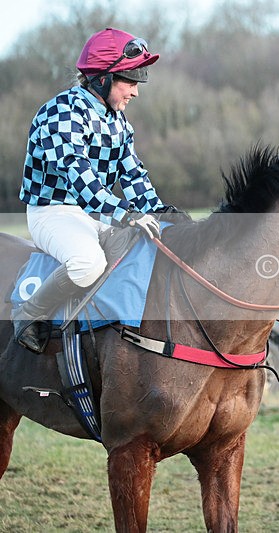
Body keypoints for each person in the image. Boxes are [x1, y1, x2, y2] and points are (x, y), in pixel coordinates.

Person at [13, 27, 179, 354]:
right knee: (87, 263)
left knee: (144, 248)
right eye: (129, 81)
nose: (135, 91)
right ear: (102, 79)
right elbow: (84, 184)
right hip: (53, 212)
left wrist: (161, 212)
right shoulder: (61, 113)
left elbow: (134, 175)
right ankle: (28, 314)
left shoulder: (118, 121)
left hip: (94, 213)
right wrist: (127, 214)